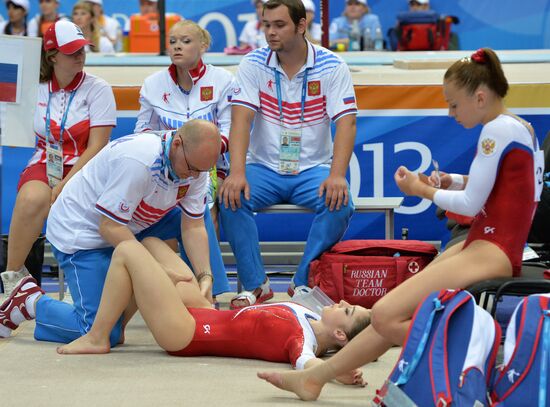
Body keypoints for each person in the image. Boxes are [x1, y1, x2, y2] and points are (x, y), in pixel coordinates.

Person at [256, 48, 543, 401]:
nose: (450, 113)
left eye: (454, 104)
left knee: (387, 316)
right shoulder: (518, 128)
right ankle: (316, 378)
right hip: (491, 245)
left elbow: (472, 205)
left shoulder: (495, 131)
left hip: (490, 249)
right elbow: (497, 189)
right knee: (385, 315)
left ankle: (481, 355)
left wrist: (419, 189)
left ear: (480, 97)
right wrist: (448, 180)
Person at [1, 237, 370, 382]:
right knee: (154, 242)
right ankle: (150, 281)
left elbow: (309, 367)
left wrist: (338, 373)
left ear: (339, 335)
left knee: (128, 251)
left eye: (348, 310)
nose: (341, 301)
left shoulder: (302, 340)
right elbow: (259, 314)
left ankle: (97, 337)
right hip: (205, 312)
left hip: (189, 333)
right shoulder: (310, 315)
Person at [0, 120, 221, 346]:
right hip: (83, 234)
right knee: (102, 333)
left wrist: (206, 276)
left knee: (198, 214)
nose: (194, 177)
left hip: (133, 221)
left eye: (201, 171)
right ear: (176, 144)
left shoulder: (195, 164)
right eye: (192, 169)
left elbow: (193, 226)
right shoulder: (138, 160)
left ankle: (208, 298)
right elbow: (109, 227)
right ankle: (30, 300)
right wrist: (155, 269)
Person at [219, 0, 356, 309]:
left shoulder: (332, 65)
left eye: (279, 25)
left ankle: (303, 282)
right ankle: (256, 285)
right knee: (230, 197)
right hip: (263, 168)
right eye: (266, 25)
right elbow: (240, 119)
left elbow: (346, 123)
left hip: (313, 169)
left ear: (301, 25)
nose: (270, 32)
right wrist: (237, 171)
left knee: (340, 202)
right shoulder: (253, 63)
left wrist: (336, 175)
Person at [0, 20, 115, 297]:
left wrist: (64, 184)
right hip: (45, 160)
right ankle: (12, 283)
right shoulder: (32, 86)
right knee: (31, 199)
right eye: (72, 51)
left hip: (88, 165)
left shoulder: (98, 88)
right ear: (52, 56)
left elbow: (98, 146)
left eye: (82, 49)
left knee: (68, 198)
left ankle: (98, 292)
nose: (80, 55)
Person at [134, 19, 234, 298]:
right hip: (163, 169)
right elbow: (142, 131)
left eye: (186, 41)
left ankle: (206, 291)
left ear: (203, 46)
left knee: (200, 207)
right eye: (173, 41)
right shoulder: (153, 84)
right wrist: (170, 155)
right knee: (186, 211)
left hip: (211, 167)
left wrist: (201, 154)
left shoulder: (223, 80)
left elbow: (230, 130)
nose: (178, 46)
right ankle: (197, 291)